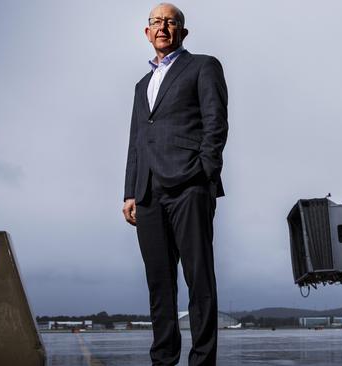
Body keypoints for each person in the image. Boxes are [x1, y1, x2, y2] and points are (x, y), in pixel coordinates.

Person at [122, 3, 228, 365]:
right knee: (159, 286)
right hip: (149, 192)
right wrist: (130, 192)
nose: (163, 27)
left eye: (171, 21)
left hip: (189, 185)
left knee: (199, 281)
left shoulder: (203, 66)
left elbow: (216, 123)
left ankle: (202, 361)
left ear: (183, 31)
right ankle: (163, 360)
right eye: (156, 22)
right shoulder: (141, 85)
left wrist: (204, 172)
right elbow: (137, 140)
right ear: (147, 32)